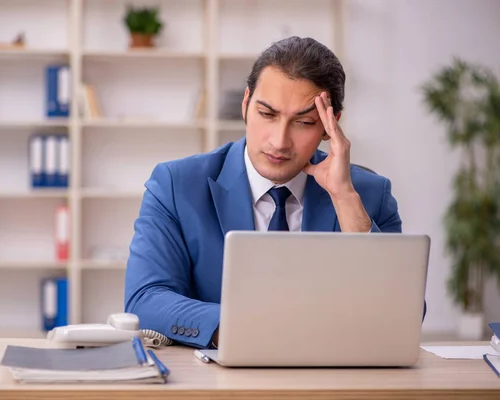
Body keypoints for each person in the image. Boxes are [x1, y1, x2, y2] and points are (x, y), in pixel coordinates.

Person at [124, 36, 421, 350]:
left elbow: (406, 313)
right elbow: (145, 300)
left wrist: (345, 200)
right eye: (267, 115)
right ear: (246, 104)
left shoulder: (369, 195)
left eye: (304, 122)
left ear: (330, 126)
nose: (280, 141)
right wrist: (251, 328)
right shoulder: (176, 185)